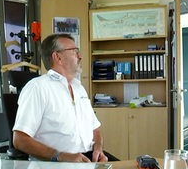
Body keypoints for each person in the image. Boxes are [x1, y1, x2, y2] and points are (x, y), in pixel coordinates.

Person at [12, 33, 115, 162]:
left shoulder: (79, 88)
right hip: (56, 164)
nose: (80, 56)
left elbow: (96, 128)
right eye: (74, 51)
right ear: (57, 57)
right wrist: (60, 156)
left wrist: (98, 149)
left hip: (88, 159)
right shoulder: (38, 87)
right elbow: (20, 139)